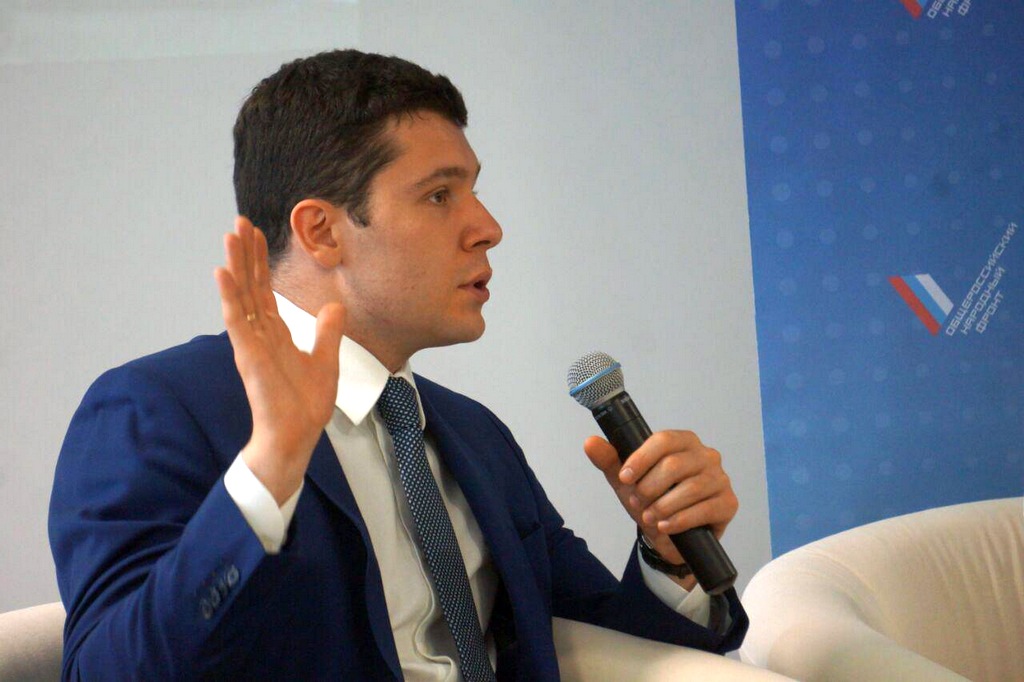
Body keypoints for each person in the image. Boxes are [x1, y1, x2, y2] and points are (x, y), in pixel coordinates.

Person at [49, 49, 747, 680]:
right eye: (440, 195)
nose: (488, 228)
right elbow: (110, 671)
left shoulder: (473, 433)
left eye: (473, 190)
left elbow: (602, 646)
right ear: (322, 231)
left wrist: (668, 557)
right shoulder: (155, 407)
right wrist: (267, 473)